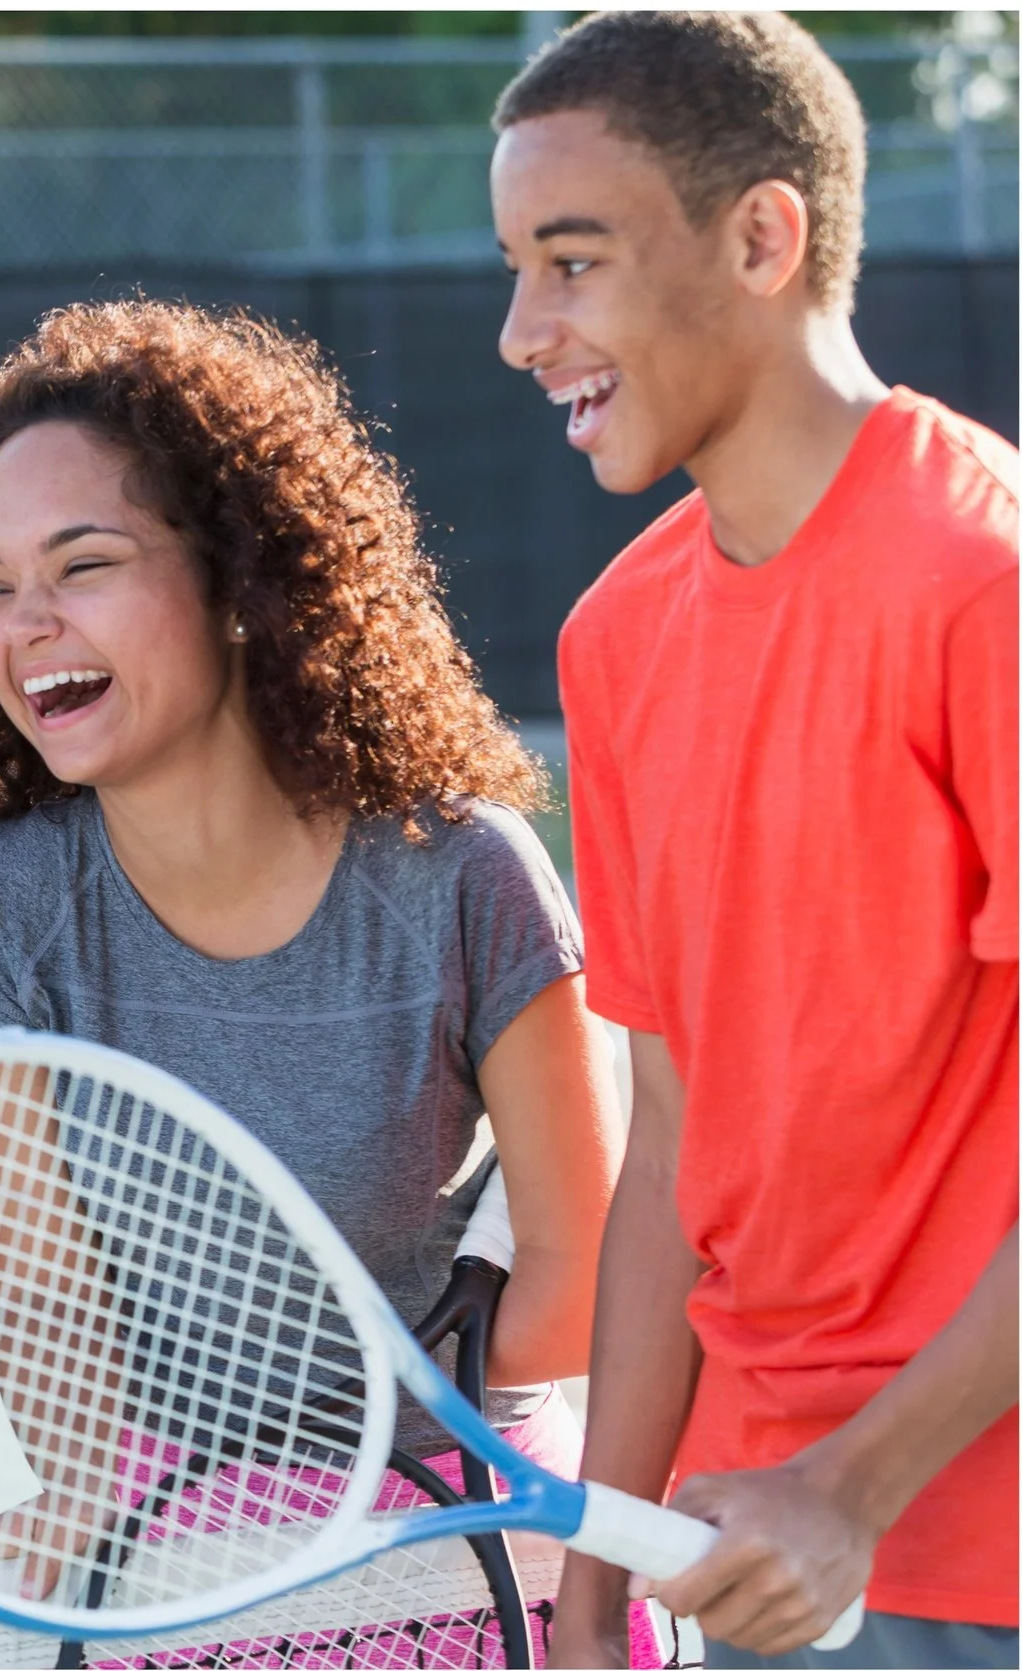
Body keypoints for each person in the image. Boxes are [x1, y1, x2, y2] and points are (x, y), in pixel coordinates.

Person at [0, 297, 635, 1647]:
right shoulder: (5, 913)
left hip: (464, 1539)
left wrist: (374, 1464)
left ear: (240, 578)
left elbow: (583, 1273)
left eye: (85, 562)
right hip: (184, 1556)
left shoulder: (467, 873)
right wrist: (167, 1509)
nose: (28, 620)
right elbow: (52, 1316)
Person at [491, 14, 1017, 1669]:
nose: (522, 331)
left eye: (570, 262)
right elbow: (670, 1145)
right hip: (742, 1560)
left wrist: (854, 1488)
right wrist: (592, 1581)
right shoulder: (614, 637)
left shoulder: (983, 582)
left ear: (763, 236)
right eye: (514, 269)